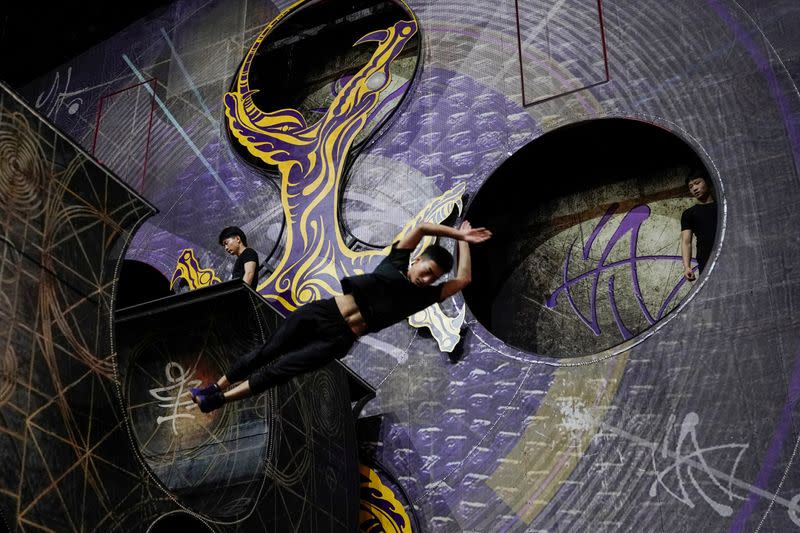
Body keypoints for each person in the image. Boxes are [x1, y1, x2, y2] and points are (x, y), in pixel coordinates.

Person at [192, 221, 492, 412]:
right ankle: (214, 387)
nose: (427, 280)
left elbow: (463, 279)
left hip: (339, 338)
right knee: (268, 351)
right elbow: (424, 228)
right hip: (322, 313)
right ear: (416, 261)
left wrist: (464, 244)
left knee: (281, 370)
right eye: (426, 272)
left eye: (434, 278)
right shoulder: (396, 260)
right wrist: (459, 233)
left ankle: (219, 400)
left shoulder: (423, 296)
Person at [680, 173, 717, 281]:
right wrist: (687, 267)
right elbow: (686, 242)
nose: (694, 188)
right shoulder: (689, 213)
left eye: (697, 183)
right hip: (706, 261)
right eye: (691, 187)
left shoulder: (723, 206)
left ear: (707, 182)